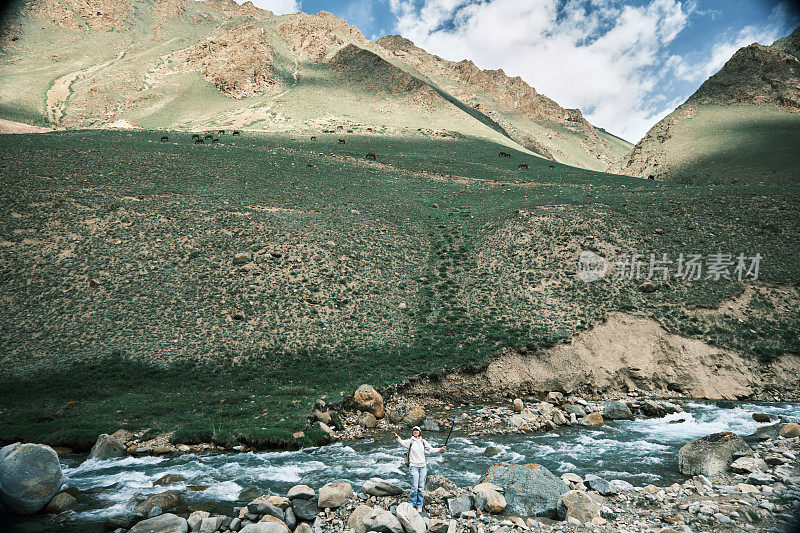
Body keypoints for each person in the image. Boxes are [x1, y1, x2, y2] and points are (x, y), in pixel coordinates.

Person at [394, 426, 445, 513]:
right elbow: (402, 442)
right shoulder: (410, 441)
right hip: (413, 466)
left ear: (420, 432)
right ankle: (411, 503)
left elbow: (431, 450)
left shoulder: (423, 441)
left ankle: (419, 505)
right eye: (414, 430)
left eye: (417, 430)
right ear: (412, 432)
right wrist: (397, 437)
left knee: (421, 487)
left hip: (423, 467)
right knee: (414, 487)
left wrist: (440, 449)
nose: (415, 431)